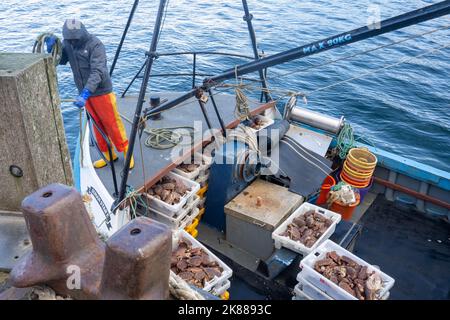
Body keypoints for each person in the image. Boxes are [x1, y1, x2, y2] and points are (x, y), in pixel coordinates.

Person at [47, 19, 134, 169]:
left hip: (101, 92)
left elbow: (98, 71)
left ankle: (126, 151)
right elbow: (62, 61)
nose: (72, 42)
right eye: (69, 39)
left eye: (74, 39)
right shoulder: (68, 43)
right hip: (84, 94)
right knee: (96, 125)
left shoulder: (95, 45)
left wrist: (86, 91)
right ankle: (108, 154)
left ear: (82, 33)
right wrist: (54, 48)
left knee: (112, 123)